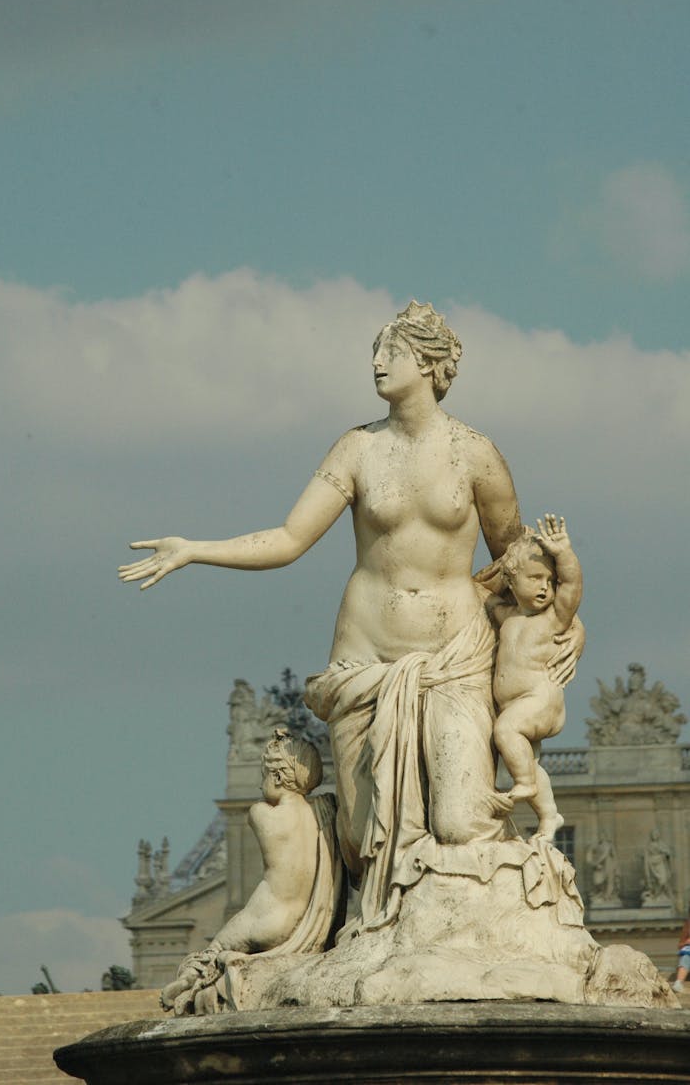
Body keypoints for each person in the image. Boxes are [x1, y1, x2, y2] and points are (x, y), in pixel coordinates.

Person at [120, 301, 583, 931]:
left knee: (457, 819)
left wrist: (563, 625)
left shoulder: (476, 454)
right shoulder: (357, 449)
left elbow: (520, 561)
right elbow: (288, 539)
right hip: (365, 662)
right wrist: (195, 550)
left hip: (453, 662)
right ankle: (377, 942)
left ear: (426, 362)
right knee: (367, 840)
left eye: (387, 353)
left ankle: (486, 929)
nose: (374, 364)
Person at [160, 729, 343, 1015]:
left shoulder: (260, 813)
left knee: (213, 952)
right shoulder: (326, 811)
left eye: (264, 776)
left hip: (262, 917)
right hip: (302, 922)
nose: (260, 786)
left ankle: (187, 983)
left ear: (279, 777)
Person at [488, 516, 583, 840]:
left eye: (550, 580)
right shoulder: (507, 616)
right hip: (520, 704)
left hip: (540, 700)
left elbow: (572, 586)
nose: (545, 587)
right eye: (535, 578)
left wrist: (565, 554)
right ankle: (548, 817)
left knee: (506, 729)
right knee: (529, 759)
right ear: (512, 582)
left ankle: (525, 784)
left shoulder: (553, 619)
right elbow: (480, 594)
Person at [673, 908, 690, 993]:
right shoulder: (687, 925)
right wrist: (686, 943)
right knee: (685, 957)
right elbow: (680, 945)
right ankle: (678, 983)